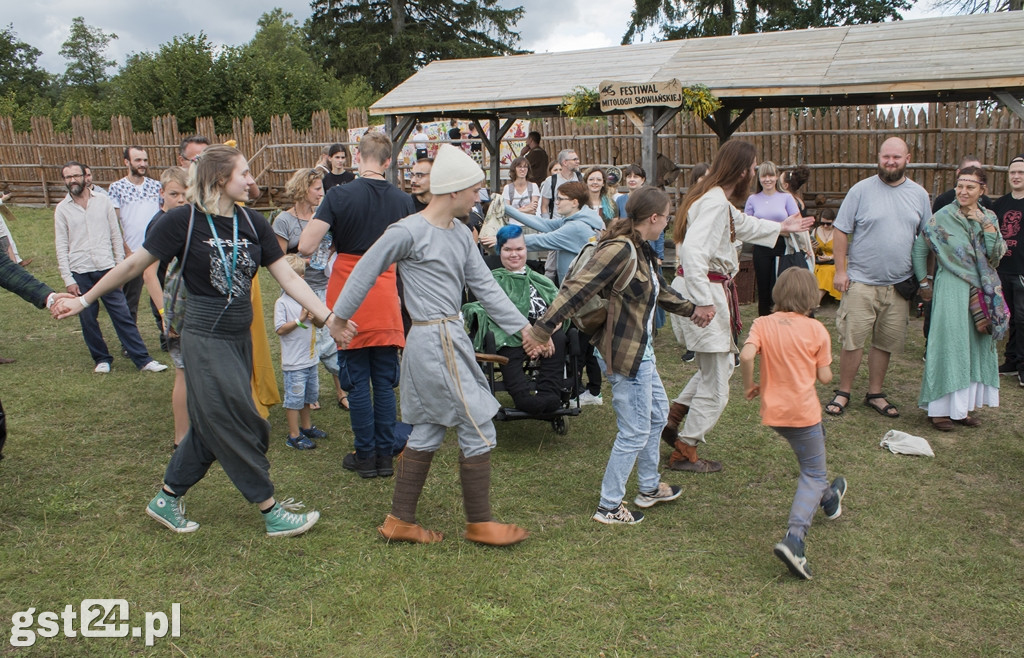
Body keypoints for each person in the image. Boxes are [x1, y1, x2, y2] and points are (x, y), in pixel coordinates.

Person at [54, 145, 340, 538]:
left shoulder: (253, 222)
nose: (252, 181)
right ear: (221, 180)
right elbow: (135, 264)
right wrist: (84, 299)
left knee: (211, 425)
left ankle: (167, 497)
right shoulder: (182, 222)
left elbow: (288, 278)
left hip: (239, 337)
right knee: (243, 422)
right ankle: (270, 509)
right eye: (244, 174)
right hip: (203, 337)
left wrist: (328, 318)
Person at [332, 143, 535, 547]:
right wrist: (339, 319)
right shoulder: (408, 230)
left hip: (449, 337)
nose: (479, 197)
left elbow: (487, 290)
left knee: (426, 429)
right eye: (475, 190)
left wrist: (524, 329)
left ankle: (400, 520)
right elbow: (364, 271)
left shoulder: (461, 234)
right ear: (455, 191)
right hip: (431, 341)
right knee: (478, 427)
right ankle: (480, 523)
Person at [525, 187, 700, 524]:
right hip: (624, 352)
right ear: (654, 217)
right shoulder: (620, 248)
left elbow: (658, 290)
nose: (668, 221)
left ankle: (648, 488)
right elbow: (577, 288)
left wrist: (692, 310)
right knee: (634, 429)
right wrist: (542, 329)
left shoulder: (641, 248)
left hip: (641, 350)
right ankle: (609, 505)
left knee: (656, 413)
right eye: (666, 215)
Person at [663, 141, 813, 473]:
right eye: (754, 168)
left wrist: (782, 227)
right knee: (718, 383)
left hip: (704, 291)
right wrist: (702, 302)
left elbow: (742, 226)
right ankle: (684, 448)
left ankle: (673, 421)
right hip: (705, 294)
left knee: (711, 370)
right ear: (743, 170)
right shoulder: (715, 203)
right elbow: (693, 254)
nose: (755, 175)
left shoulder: (715, 198)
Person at [300, 132, 415, 479]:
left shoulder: (338, 195)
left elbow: (306, 245)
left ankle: (364, 454)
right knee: (383, 379)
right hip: (384, 289)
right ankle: (383, 454)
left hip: (348, 290)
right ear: (388, 161)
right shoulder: (402, 200)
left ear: (355, 155)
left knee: (356, 380)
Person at [739, 267, 847, 581]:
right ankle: (795, 540)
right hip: (803, 413)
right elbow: (825, 377)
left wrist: (749, 385)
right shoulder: (817, 330)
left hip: (775, 414)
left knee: (813, 449)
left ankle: (829, 499)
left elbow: (746, 356)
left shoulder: (762, 323)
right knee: (813, 473)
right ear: (812, 297)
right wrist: (821, 368)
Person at [824, 137, 931, 418]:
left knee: (885, 342)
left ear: (908, 158)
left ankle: (875, 393)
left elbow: (927, 238)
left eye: (896, 157)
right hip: (861, 281)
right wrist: (841, 271)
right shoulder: (860, 191)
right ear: (879, 158)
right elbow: (840, 230)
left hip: (898, 285)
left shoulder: (919, 195)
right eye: (886, 157)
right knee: (853, 340)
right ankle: (844, 391)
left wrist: (924, 280)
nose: (891, 162)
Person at [494, 182, 606, 406]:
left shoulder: (577, 228)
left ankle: (587, 390)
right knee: (583, 342)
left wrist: (504, 244)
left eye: (561, 199)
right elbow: (542, 224)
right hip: (575, 291)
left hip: (580, 295)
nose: (557, 202)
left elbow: (541, 240)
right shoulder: (576, 219)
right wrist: (506, 208)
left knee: (581, 344)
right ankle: (583, 389)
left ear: (575, 202)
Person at [913, 166, 1007, 430]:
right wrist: (924, 282)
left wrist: (985, 224)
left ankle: (961, 409)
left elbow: (995, 254)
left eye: (970, 187)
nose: (963, 191)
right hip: (951, 287)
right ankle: (939, 411)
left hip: (981, 289)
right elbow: (920, 248)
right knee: (949, 344)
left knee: (973, 346)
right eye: (960, 186)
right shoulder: (942, 216)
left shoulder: (989, 216)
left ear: (982, 190)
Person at [53, 161, 166, 374]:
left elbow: (116, 236)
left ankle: (143, 360)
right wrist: (69, 279)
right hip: (81, 270)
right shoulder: (62, 209)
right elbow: (61, 245)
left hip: (107, 268)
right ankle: (102, 358)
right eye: (67, 177)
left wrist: (119, 268)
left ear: (85, 177)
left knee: (122, 314)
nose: (72, 180)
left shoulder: (103, 201)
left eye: (76, 176)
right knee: (88, 318)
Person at [463, 224, 567, 414]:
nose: (514, 254)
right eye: (507, 249)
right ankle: (523, 398)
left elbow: (560, 309)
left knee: (560, 338)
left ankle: (550, 394)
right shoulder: (490, 281)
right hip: (510, 333)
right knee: (506, 339)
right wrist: (529, 335)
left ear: (526, 249)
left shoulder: (541, 279)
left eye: (519, 249)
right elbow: (476, 308)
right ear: (499, 250)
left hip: (545, 333)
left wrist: (545, 333)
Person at [273, 168, 348, 411]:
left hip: (326, 285)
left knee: (330, 339)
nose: (321, 194)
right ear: (303, 189)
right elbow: (278, 259)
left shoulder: (324, 216)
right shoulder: (284, 221)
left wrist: (329, 256)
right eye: (317, 189)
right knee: (307, 340)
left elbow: (335, 244)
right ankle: (308, 393)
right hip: (299, 291)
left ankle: (341, 391)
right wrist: (304, 262)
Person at [141, 166, 190, 448]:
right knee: (183, 371)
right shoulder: (161, 223)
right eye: (174, 194)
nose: (181, 200)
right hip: (172, 307)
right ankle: (181, 437)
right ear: (161, 194)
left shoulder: (183, 220)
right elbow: (149, 273)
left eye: (186, 194)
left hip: (184, 303)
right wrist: (164, 314)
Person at [275, 254, 329, 449]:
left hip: (310, 359)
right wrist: (299, 320)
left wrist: (314, 318)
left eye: (302, 276)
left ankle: (306, 427)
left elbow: (320, 323)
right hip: (294, 362)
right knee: (294, 399)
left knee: (308, 396)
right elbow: (280, 329)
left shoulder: (308, 299)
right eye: (296, 277)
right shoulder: (282, 303)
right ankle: (294, 435)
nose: (301, 281)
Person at [108, 146, 163, 326]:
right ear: (127, 162)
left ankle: (167, 337)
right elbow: (114, 224)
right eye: (138, 160)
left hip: (156, 251)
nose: (143, 164)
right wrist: (126, 250)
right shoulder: (117, 188)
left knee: (160, 297)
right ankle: (130, 342)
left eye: (145, 160)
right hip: (132, 253)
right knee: (130, 301)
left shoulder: (156, 186)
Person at [745, 161, 800, 317]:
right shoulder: (753, 199)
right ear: (759, 178)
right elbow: (748, 226)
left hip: (783, 247)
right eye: (764, 176)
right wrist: (775, 228)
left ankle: (782, 320)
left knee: (781, 287)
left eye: (771, 175)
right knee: (763, 289)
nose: (767, 179)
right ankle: (764, 322)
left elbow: (796, 221)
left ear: (776, 177)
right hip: (761, 248)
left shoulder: (786, 198)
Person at [670, 163, 709, 364]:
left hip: (709, 262)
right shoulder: (689, 204)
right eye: (701, 178)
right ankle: (691, 345)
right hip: (688, 260)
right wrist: (680, 259)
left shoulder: (717, 203)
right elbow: (680, 235)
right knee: (685, 301)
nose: (705, 181)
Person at [993, 154, 1024, 384]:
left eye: (1021, 172)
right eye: (1012, 172)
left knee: (1023, 319)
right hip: (1003, 269)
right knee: (1009, 317)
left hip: (1022, 271)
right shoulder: (1000, 205)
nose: (1016, 176)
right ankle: (1012, 360)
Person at [539, 149, 583, 218]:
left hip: (577, 222)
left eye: (577, 159)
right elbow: (544, 207)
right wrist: (548, 224)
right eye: (574, 159)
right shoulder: (551, 181)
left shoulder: (581, 178)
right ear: (565, 162)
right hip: (557, 223)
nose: (578, 162)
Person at [811, 209, 842, 302]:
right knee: (813, 270)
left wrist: (829, 257)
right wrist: (813, 247)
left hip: (834, 260)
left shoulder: (837, 232)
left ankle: (816, 301)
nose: (825, 226)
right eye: (822, 223)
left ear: (833, 221)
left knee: (827, 272)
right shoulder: (816, 231)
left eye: (828, 224)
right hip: (819, 260)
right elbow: (811, 251)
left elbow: (841, 251)